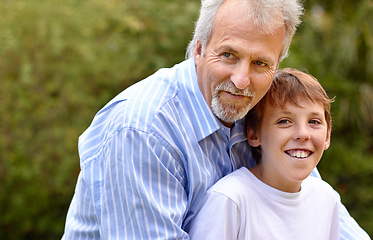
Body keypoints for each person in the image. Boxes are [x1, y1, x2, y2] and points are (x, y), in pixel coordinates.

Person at [61, 0, 370, 239]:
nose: (241, 80)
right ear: (198, 49)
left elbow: (311, 205)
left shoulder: (263, 112)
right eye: (228, 56)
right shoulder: (144, 130)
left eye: (260, 63)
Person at [188, 68, 339, 239]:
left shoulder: (326, 198)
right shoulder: (230, 200)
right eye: (284, 121)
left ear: (327, 135)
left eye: (314, 121)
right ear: (253, 134)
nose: (303, 134)